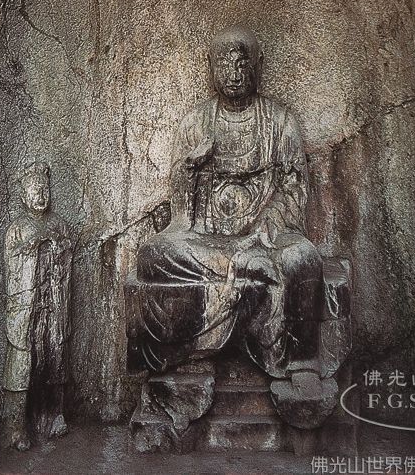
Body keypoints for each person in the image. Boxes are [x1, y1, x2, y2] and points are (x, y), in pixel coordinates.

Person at [126, 25, 323, 381]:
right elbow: (180, 215)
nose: (234, 73)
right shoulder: (195, 123)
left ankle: (301, 363)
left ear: (258, 66)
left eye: (241, 63)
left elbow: (294, 188)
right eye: (225, 64)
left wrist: (263, 231)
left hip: (266, 239)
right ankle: (246, 268)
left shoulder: (280, 123)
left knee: (303, 259)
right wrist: (190, 166)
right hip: (206, 240)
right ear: (210, 67)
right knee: (151, 255)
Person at [3, 162, 72, 451]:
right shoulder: (17, 228)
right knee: (22, 362)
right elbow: (11, 263)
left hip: (53, 305)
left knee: (55, 355)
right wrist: (30, 251)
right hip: (27, 307)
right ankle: (17, 425)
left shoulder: (58, 223)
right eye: (35, 190)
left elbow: (69, 251)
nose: (41, 195)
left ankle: (55, 414)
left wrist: (59, 248)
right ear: (23, 195)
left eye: (45, 189)